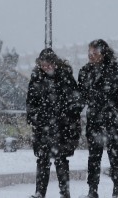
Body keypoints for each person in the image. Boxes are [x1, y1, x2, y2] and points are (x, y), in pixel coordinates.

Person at [78, 40, 118, 198]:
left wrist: (116, 112)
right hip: (94, 121)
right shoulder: (85, 71)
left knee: (114, 157)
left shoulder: (115, 71)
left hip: (112, 123)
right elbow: (80, 97)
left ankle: (117, 189)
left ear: (103, 53)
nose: (91, 56)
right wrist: (74, 113)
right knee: (93, 158)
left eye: (95, 53)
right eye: (89, 53)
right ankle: (92, 190)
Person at [26, 48, 82, 198]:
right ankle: (40, 192)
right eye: (43, 65)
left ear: (54, 63)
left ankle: (64, 192)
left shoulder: (65, 77)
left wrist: (66, 115)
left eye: (48, 64)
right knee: (42, 159)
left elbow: (76, 101)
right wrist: (34, 117)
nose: (46, 67)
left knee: (60, 159)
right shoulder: (36, 78)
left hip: (61, 126)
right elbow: (31, 101)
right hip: (43, 126)